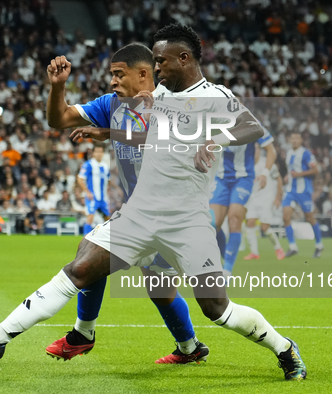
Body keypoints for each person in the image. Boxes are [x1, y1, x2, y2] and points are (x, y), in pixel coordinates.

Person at [0, 24, 306, 381]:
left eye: (161, 61)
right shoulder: (157, 96)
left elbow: (251, 127)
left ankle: (284, 348)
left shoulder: (214, 96)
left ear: (185, 58)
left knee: (215, 308)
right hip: (140, 214)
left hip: (188, 221)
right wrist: (106, 132)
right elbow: (150, 133)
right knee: (81, 268)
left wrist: (214, 140)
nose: (157, 68)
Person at [44, 42, 209, 364]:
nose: (112, 81)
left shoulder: (174, 103)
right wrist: (58, 87)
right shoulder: (112, 104)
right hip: (141, 213)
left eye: (119, 74)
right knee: (150, 285)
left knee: (103, 268)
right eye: (112, 75)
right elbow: (59, 119)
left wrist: (110, 133)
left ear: (143, 73)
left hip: (171, 212)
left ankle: (83, 335)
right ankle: (189, 348)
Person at [210, 119, 278, 275]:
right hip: (220, 178)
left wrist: (265, 173)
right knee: (213, 224)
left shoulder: (252, 123)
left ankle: (227, 271)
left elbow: (271, 150)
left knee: (234, 219)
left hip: (243, 178)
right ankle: (223, 257)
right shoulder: (214, 121)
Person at [282, 131, 323, 258]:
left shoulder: (306, 153)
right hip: (290, 191)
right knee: (286, 217)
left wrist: (299, 174)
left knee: (310, 218)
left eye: (296, 138)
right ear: (289, 140)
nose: (294, 140)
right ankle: (293, 246)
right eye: (292, 138)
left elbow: (316, 170)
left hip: (304, 191)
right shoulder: (289, 153)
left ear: (301, 141)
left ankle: (319, 245)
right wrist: (287, 176)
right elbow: (291, 170)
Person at [243, 143, 285, 260]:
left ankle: (278, 249)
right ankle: (254, 253)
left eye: (256, 150)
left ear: (259, 151)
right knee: (250, 222)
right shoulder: (247, 164)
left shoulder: (267, 164)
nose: (254, 152)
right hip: (253, 199)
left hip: (267, 199)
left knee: (265, 227)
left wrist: (277, 198)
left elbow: (279, 179)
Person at [78, 144, 110, 235]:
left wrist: (110, 189)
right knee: (90, 217)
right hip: (92, 197)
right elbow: (80, 179)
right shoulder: (88, 164)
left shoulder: (105, 166)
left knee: (108, 218)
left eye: (101, 152)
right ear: (93, 153)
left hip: (103, 198)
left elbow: (109, 180)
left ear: (103, 153)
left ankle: (107, 238)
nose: (99, 154)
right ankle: (86, 239)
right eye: (97, 152)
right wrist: (87, 192)